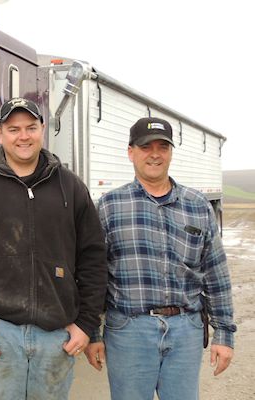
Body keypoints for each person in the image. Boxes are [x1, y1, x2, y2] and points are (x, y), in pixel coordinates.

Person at [0, 97, 108, 399]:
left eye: (31, 127)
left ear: (42, 130)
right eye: (14, 129)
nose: (24, 136)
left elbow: (93, 259)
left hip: (56, 336)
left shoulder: (71, 188)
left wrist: (86, 324)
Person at [84, 117, 237, 400]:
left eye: (162, 147)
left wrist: (224, 334)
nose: (155, 154)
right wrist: (92, 333)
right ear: (131, 152)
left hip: (185, 330)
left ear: (170, 153)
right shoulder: (108, 207)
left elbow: (216, 275)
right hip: (129, 330)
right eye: (146, 147)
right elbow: (93, 276)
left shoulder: (198, 206)